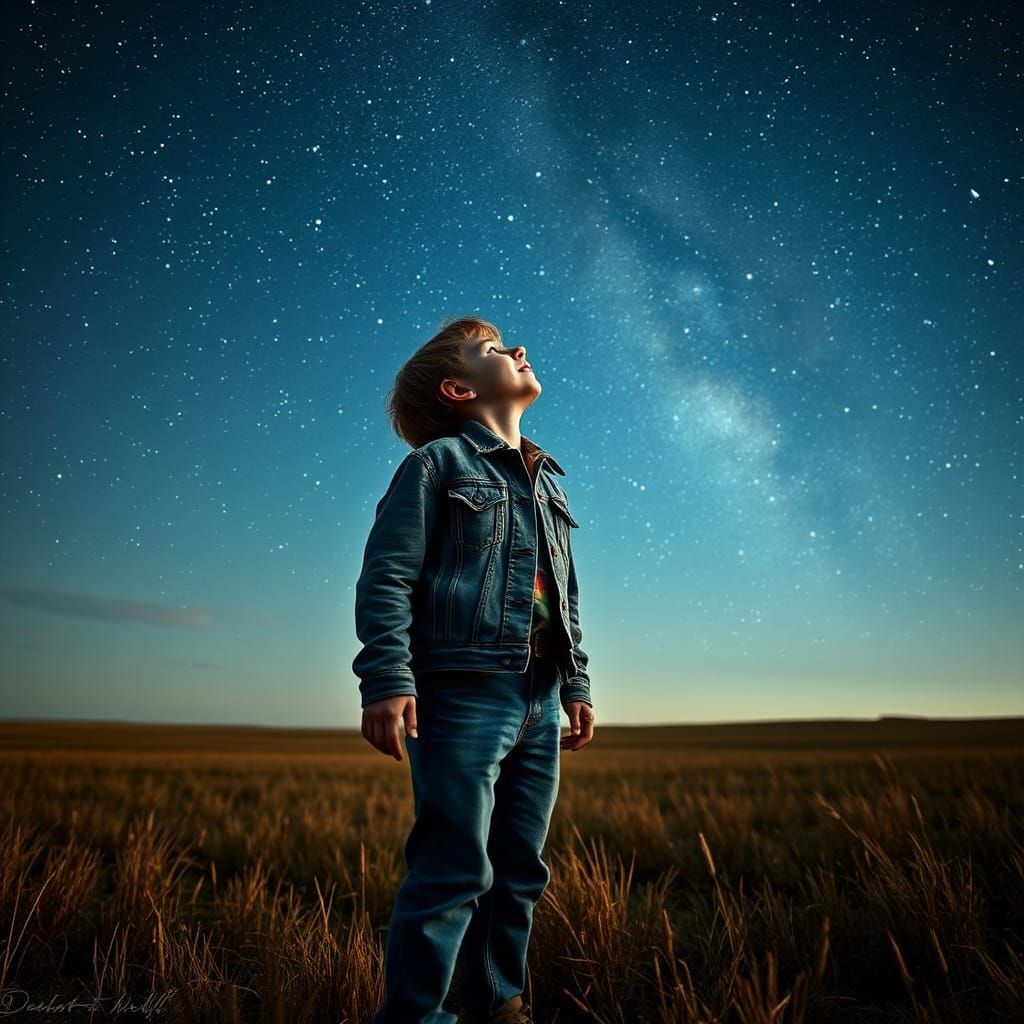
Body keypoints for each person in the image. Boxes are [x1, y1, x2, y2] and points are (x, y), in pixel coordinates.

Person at [353, 315, 596, 1024]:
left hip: (540, 700)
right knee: (454, 868)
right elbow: (388, 576)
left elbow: (562, 595)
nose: (519, 349)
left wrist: (575, 682)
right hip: (461, 695)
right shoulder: (436, 467)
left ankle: (498, 1005)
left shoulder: (551, 483)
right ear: (458, 388)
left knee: (519, 870)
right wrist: (388, 678)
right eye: (493, 350)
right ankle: (416, 1016)